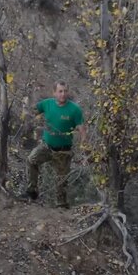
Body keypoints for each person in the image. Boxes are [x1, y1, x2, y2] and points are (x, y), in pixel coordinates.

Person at [23, 81, 86, 209]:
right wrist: (26, 102)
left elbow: (82, 130)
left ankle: (61, 208)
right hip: (46, 146)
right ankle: (32, 191)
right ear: (54, 93)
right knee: (31, 160)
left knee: (61, 181)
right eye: (60, 91)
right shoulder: (47, 104)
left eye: (65, 91)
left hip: (63, 151)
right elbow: (31, 112)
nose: (63, 94)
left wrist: (83, 149)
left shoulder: (75, 109)